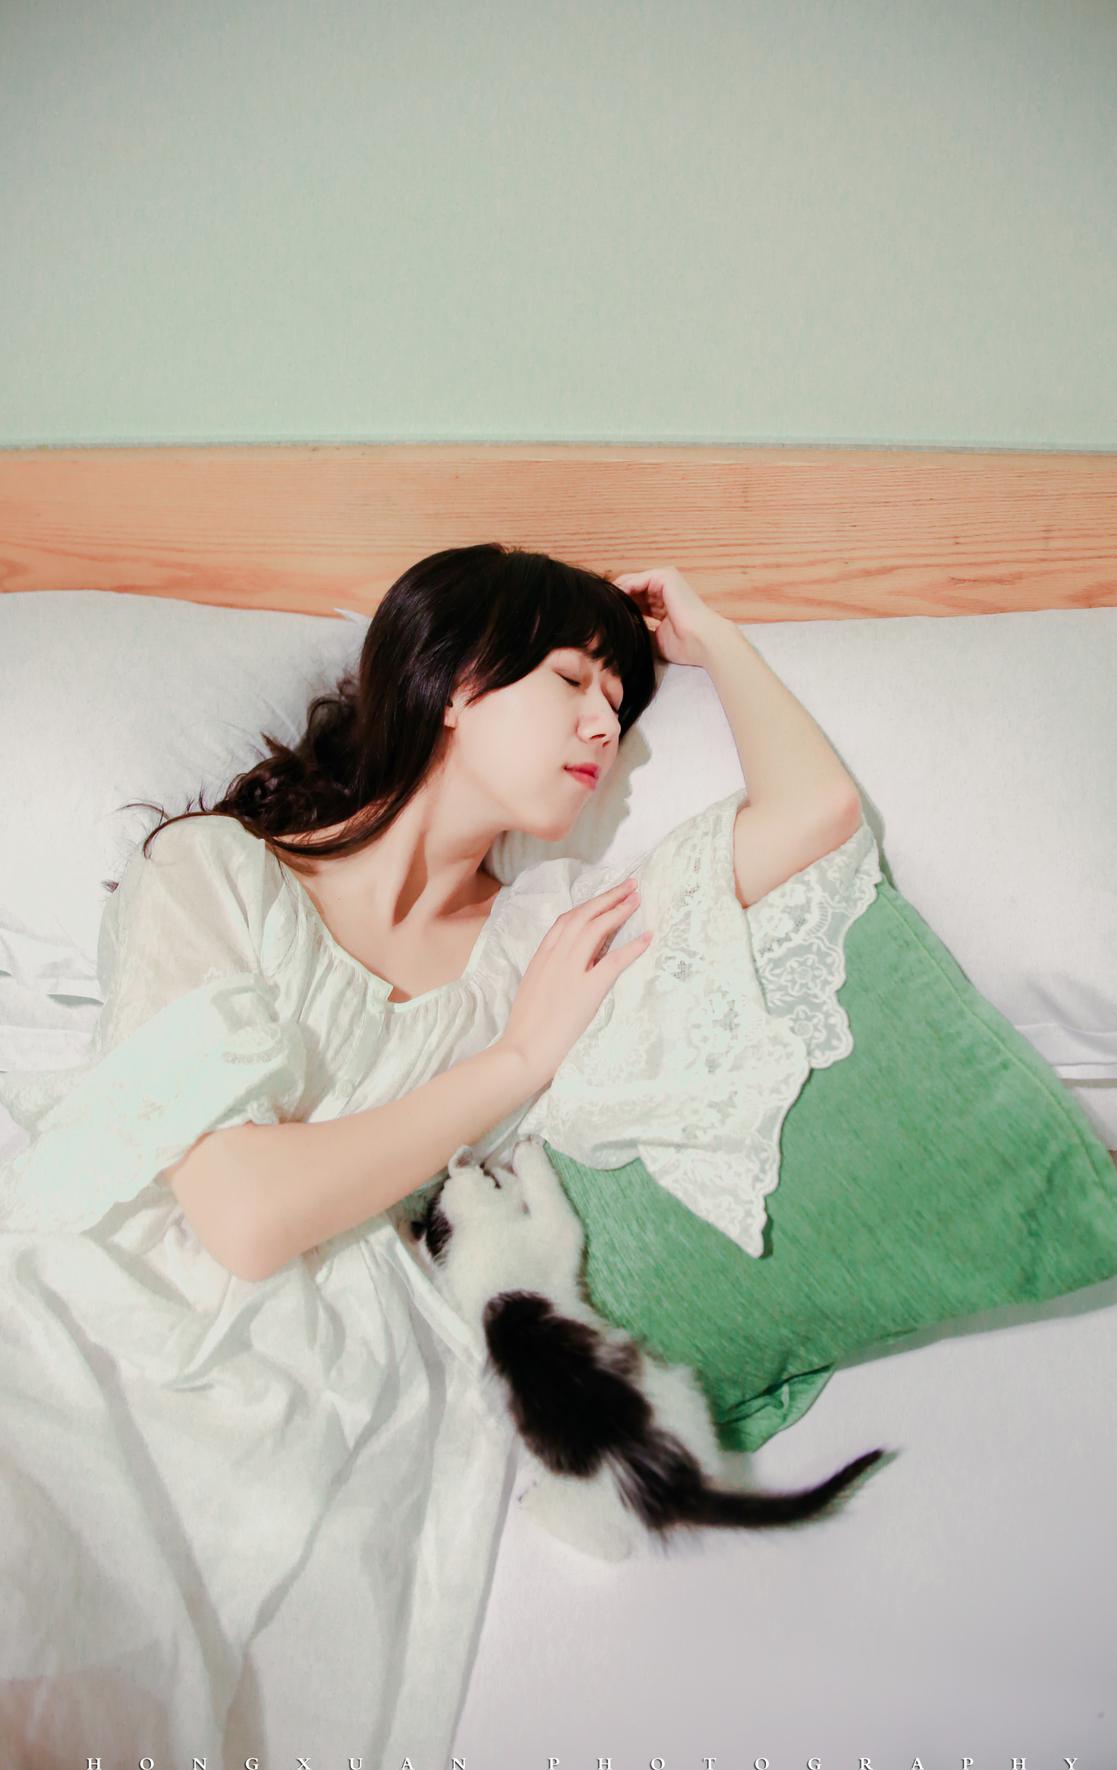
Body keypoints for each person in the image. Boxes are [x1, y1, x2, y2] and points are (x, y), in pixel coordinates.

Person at [0, 543, 667, 1764]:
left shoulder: (530, 950)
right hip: (95, 1298)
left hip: (332, 1373)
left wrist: (715, 632)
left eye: (621, 706)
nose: (604, 727)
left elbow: (807, 824)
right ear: (458, 681)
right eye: (575, 680)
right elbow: (243, 1217)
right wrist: (513, 1064)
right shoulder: (214, 871)